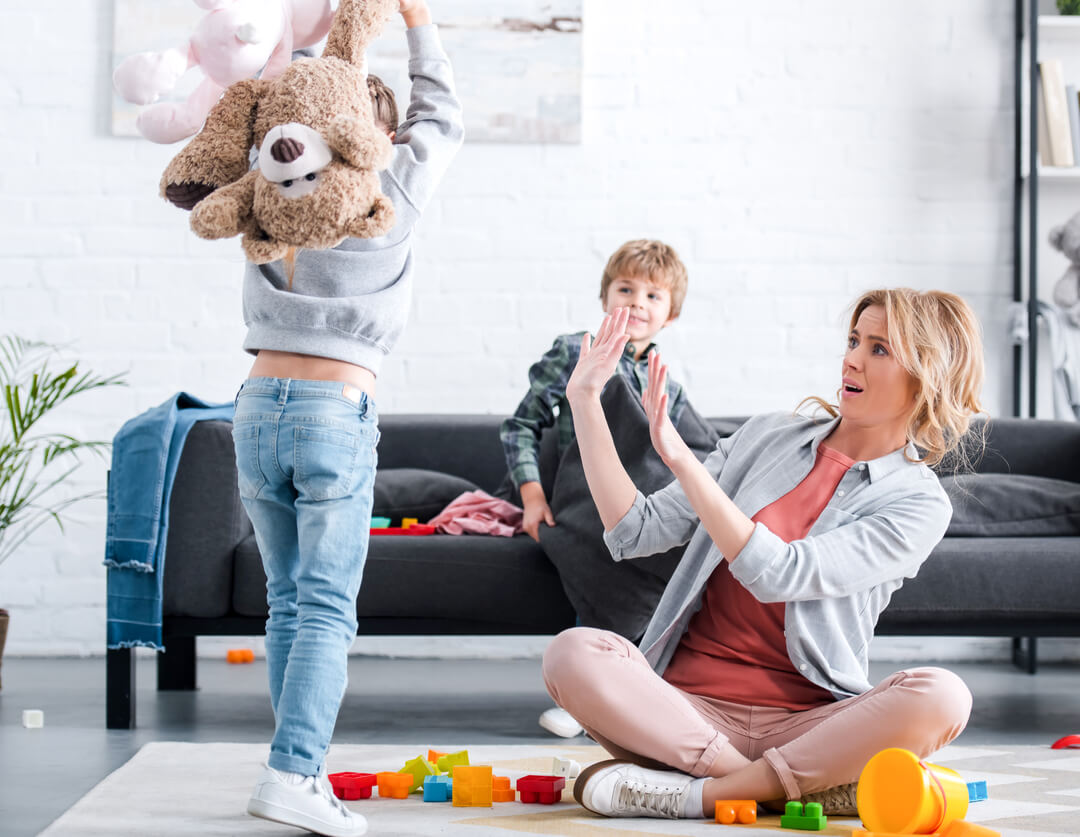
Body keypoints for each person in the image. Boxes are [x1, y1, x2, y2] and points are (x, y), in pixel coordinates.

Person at [542, 288, 986, 820]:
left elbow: (781, 573)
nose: (851, 359)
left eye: (879, 349)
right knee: (572, 653)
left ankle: (699, 795)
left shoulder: (918, 502)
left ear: (926, 377)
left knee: (944, 695)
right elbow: (637, 529)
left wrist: (685, 463)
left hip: (810, 725)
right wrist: (585, 401)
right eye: (853, 340)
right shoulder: (767, 436)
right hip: (686, 714)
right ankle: (777, 788)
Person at [230, 2, 464, 835]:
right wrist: (417, 18)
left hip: (253, 407)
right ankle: (294, 771)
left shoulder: (269, 181)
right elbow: (443, 113)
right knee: (325, 607)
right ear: (380, 136)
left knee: (289, 604)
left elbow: (280, 94)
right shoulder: (386, 188)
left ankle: (296, 767)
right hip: (333, 409)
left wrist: (303, 38)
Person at [498, 240, 695, 739]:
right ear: (605, 297)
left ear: (670, 315)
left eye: (653, 296)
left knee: (670, 543)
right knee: (605, 548)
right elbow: (520, 426)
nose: (637, 303)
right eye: (625, 290)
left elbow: (686, 449)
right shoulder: (575, 351)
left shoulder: (667, 385)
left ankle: (644, 688)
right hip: (579, 498)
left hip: (638, 500)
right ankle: (586, 694)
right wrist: (532, 497)